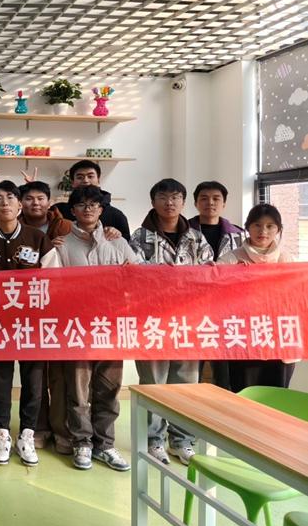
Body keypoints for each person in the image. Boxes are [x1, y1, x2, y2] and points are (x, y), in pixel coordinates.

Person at [0, 180, 60, 467]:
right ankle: (2, 434)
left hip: (32, 324)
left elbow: (55, 281)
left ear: (19, 205)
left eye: (10, 197)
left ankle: (27, 435)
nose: (5, 202)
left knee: (34, 380)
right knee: (0, 379)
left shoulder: (38, 238)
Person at [130, 178, 214, 466]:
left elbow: (208, 274)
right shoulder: (139, 237)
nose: (170, 203)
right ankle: (153, 440)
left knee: (186, 383)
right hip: (152, 320)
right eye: (163, 197)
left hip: (189, 320)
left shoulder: (196, 238)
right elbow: (134, 276)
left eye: (176, 197)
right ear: (153, 201)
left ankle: (182, 440)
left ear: (183, 202)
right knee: (154, 382)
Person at [54, 186, 138, 472]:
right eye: (81, 204)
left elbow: (137, 280)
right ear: (73, 211)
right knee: (78, 392)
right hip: (76, 329)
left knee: (109, 389)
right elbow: (53, 288)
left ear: (102, 210)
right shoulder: (62, 245)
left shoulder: (118, 242)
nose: (88, 209)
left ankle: (105, 444)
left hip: (111, 328)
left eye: (94, 204)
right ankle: (82, 443)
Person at [218, 204, 297, 391]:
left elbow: (296, 297)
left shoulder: (287, 260)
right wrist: (230, 275)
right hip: (244, 339)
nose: (263, 231)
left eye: (270, 226)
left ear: (278, 229)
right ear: (247, 227)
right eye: (257, 225)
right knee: (245, 393)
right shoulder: (231, 258)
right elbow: (211, 285)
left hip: (279, 339)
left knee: (277, 395)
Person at [18, 180, 73, 452]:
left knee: (59, 375)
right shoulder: (14, 230)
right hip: (27, 312)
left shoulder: (66, 228)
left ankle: (62, 430)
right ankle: (38, 428)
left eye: (40, 198)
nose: (35, 203)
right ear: (20, 202)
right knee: (34, 374)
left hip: (61, 309)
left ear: (49, 201)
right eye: (29, 198)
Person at [188, 181, 244, 390]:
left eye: (216, 198)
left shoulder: (239, 235)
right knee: (190, 371)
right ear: (195, 203)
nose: (210, 203)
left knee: (225, 374)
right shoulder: (184, 231)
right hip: (191, 309)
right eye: (204, 198)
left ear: (224, 203)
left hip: (228, 311)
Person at [51, 160, 130, 238]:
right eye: (80, 177)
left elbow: (125, 242)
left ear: (98, 180)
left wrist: (117, 235)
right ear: (72, 182)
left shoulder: (116, 215)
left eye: (90, 176)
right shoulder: (59, 210)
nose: (85, 180)